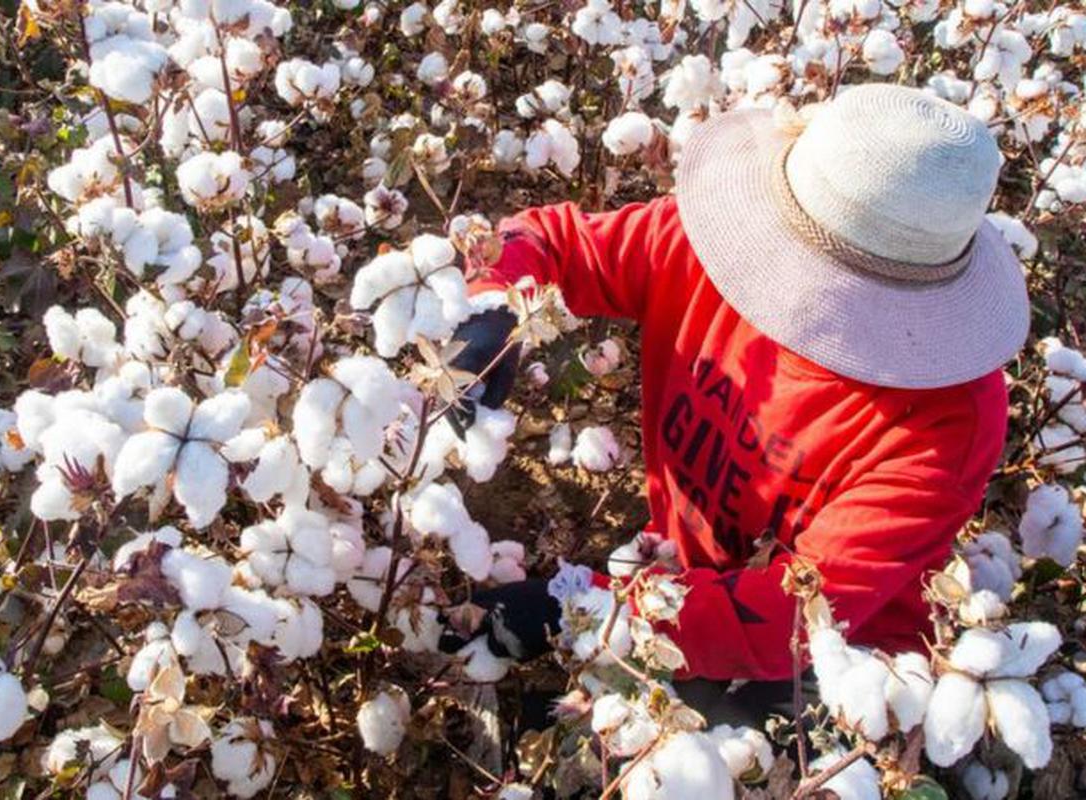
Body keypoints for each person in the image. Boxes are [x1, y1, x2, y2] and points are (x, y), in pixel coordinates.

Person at [437, 83, 1030, 725]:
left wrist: (582, 609)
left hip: (838, 660)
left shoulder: (947, 426)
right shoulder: (715, 248)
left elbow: (794, 617)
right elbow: (555, 241)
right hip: (683, 574)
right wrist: (490, 307)